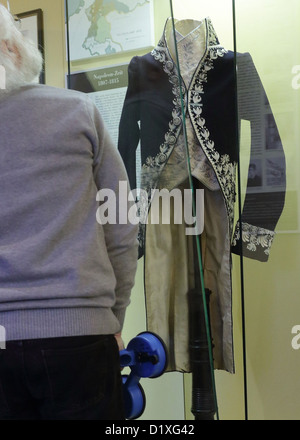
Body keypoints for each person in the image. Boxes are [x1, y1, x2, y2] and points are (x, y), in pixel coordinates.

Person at [0, 5, 138, 420]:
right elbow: (121, 225)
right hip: (80, 336)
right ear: (11, 48)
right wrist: (112, 316)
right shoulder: (77, 110)